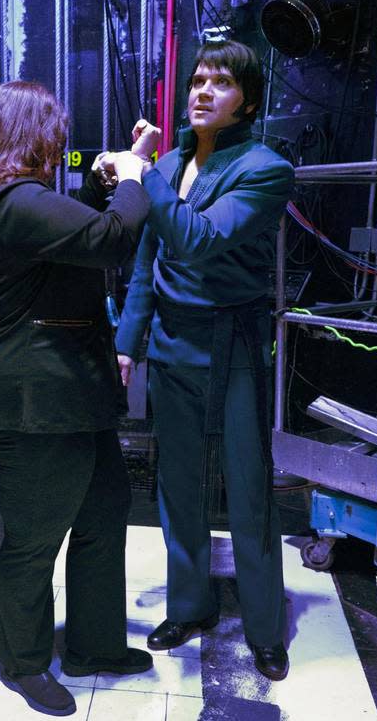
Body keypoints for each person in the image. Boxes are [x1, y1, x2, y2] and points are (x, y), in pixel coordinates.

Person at [0, 81, 159, 716]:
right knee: (35, 539)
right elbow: (110, 240)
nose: (61, 143)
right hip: (37, 397)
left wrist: (104, 183)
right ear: (30, 135)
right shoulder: (12, 201)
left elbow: (74, 237)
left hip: (69, 390)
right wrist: (134, 176)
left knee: (100, 514)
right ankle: (21, 661)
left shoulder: (16, 202)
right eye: (54, 132)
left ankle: (93, 645)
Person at [113, 39, 295, 681]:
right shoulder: (168, 163)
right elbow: (147, 263)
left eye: (220, 82)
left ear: (246, 100)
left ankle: (266, 627)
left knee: (249, 493)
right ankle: (190, 605)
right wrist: (127, 343)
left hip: (233, 345)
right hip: (171, 343)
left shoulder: (267, 167)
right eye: (196, 80)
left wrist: (142, 177)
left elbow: (193, 241)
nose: (201, 92)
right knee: (178, 487)